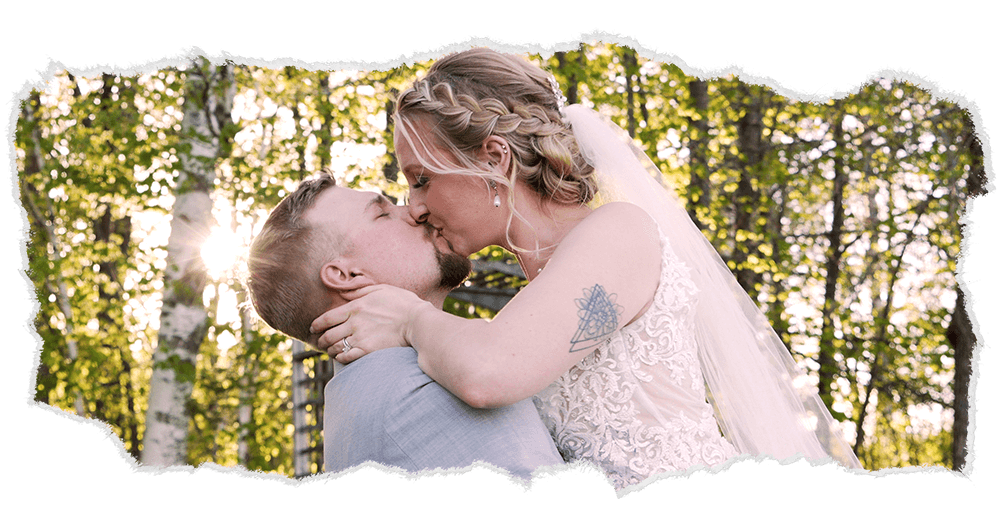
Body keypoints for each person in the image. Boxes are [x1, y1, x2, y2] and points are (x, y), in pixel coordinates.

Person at [310, 48, 862, 490]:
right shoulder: (543, 287)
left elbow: (488, 373)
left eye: (421, 177)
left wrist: (408, 317)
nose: (415, 205)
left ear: (493, 158)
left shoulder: (619, 232)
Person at [245, 170, 564, 481]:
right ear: (346, 275)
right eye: (382, 214)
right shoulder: (412, 391)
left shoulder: (364, 392)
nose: (413, 211)